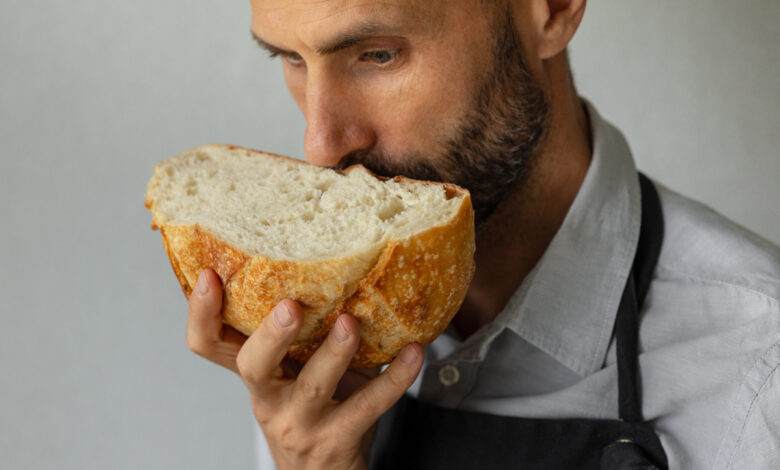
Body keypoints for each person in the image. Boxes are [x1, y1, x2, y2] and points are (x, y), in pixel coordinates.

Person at [184, 1, 780, 468]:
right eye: (289, 58)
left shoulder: (759, 369)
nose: (321, 145)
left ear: (552, 8)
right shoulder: (316, 321)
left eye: (379, 55)